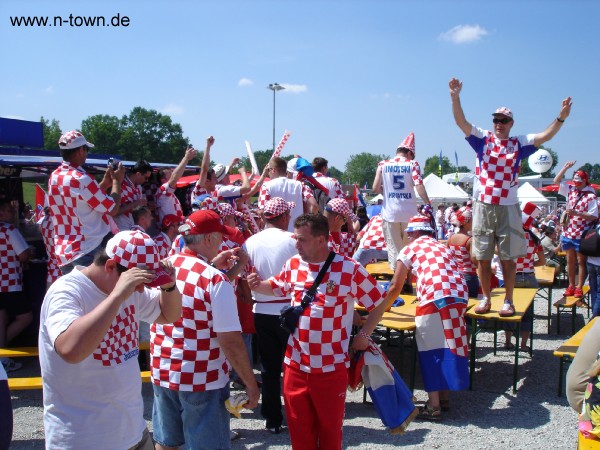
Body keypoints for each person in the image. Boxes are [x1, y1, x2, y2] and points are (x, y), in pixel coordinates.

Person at [247, 214, 389, 449]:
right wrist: (257, 285)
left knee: (330, 433)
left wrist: (363, 335)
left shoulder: (348, 268)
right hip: (295, 366)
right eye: (295, 238)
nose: (296, 244)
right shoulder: (293, 264)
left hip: (330, 368)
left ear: (321, 240)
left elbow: (379, 302)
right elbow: (276, 286)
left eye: (302, 239)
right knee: (299, 431)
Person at [38, 230, 182, 449]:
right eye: (138, 281)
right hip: (84, 439)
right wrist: (117, 297)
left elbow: (168, 315)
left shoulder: (128, 288)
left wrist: (169, 287)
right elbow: (70, 350)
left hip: (133, 431)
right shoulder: (66, 292)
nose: (141, 289)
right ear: (110, 266)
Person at [449, 77, 572, 317]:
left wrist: (561, 117)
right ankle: (485, 298)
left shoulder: (519, 143)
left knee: (508, 257)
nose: (499, 124)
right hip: (484, 204)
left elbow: (546, 135)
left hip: (508, 205)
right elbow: (460, 121)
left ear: (511, 123)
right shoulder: (482, 138)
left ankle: (508, 300)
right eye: (496, 120)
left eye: (504, 120)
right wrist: (455, 96)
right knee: (482, 257)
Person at [150, 210, 259, 450]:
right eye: (220, 236)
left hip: (163, 370)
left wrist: (223, 266)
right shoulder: (213, 279)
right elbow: (229, 340)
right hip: (202, 378)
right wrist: (250, 383)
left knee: (167, 443)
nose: (223, 241)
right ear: (209, 239)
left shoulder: (168, 266)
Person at [383, 214, 469, 420]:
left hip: (434, 297)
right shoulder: (442, 246)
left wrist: (384, 307)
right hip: (459, 295)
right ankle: (445, 398)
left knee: (430, 350)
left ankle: (434, 406)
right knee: (448, 344)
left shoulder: (410, 248)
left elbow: (395, 286)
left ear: (412, 233)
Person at [242, 197, 298, 434]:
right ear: (284, 216)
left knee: (269, 368)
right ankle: (297, 415)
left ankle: (272, 418)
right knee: (296, 367)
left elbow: (244, 279)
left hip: (262, 310)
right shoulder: (294, 240)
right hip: (291, 311)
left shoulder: (250, 242)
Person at [48, 130, 125, 274]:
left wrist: (103, 184)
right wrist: (117, 182)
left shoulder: (55, 176)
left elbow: (82, 201)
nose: (86, 153)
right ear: (80, 151)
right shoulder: (82, 178)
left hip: (65, 252)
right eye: (86, 149)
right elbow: (112, 209)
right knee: (98, 295)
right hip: (87, 249)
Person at [372, 132, 431, 271]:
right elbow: (419, 185)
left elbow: (375, 188)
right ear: (410, 152)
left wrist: (387, 191)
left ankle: (397, 281)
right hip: (409, 214)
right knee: (409, 248)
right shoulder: (413, 164)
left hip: (390, 214)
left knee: (394, 249)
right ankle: (408, 282)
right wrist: (427, 202)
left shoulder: (383, 164)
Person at [504, 202, 545, 352]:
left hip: (512, 277)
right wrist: (528, 265)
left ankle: (508, 341)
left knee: (508, 307)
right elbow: (542, 261)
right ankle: (523, 344)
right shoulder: (534, 238)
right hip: (529, 276)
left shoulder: (510, 237)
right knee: (528, 312)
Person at [554, 161, 598, 298]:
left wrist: (577, 213)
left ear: (585, 180)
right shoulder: (571, 190)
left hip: (582, 233)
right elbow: (556, 181)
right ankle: (571, 285)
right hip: (568, 231)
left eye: (578, 180)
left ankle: (579, 286)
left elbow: (593, 216)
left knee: (581, 261)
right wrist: (565, 167)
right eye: (574, 180)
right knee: (570, 261)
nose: (575, 182)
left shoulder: (591, 196)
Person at [0, 199, 32, 373]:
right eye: (8, 211)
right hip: (10, 282)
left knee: (1, 319)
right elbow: (23, 255)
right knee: (25, 317)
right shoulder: (9, 230)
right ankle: (2, 353)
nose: (12, 214)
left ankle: (3, 356)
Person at [258, 157, 318, 231]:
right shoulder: (301, 185)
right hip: (297, 234)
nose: (268, 173)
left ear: (273, 170)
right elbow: (314, 205)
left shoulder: (266, 186)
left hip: (274, 234)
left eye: (268, 170)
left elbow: (261, 211)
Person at [156, 146, 197, 223]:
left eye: (172, 173)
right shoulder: (162, 191)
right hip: (170, 231)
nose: (173, 175)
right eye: (170, 175)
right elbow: (174, 178)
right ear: (163, 180)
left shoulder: (170, 194)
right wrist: (186, 158)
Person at [446, 206, 479, 298]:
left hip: (456, 276)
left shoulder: (450, 238)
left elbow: (448, 257)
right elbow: (474, 260)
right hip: (469, 277)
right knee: (471, 301)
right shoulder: (470, 240)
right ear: (467, 223)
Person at [114, 160, 152, 231]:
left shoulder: (138, 187)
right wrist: (135, 204)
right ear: (138, 174)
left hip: (134, 227)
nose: (147, 181)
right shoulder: (120, 186)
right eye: (146, 177)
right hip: (120, 228)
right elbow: (114, 212)